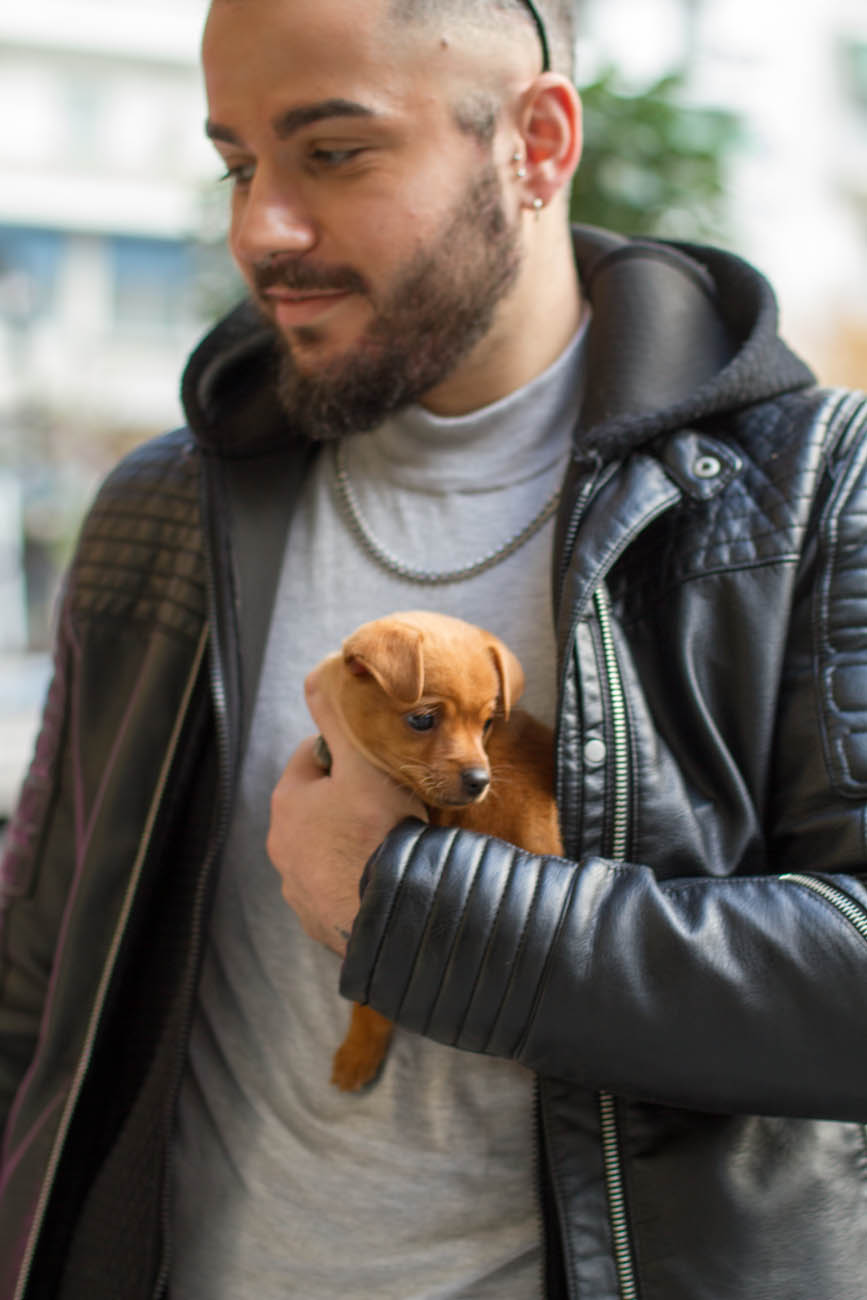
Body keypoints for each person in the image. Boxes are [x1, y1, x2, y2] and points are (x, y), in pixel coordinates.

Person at [1, 0, 866, 1295]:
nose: (261, 230)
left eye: (333, 152)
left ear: (536, 142)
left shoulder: (810, 496)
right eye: (237, 163)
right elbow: (40, 981)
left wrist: (418, 911)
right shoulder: (163, 508)